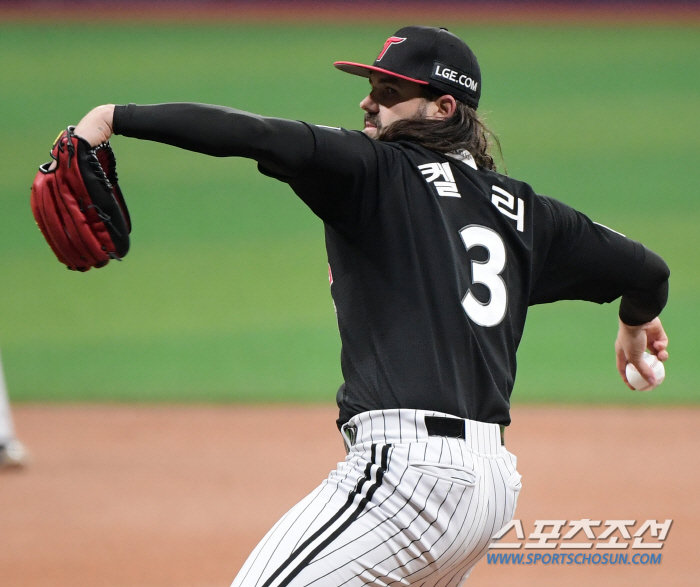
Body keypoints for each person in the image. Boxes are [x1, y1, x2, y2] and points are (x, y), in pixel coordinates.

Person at [71, 25, 669, 587]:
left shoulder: (373, 170)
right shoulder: (526, 212)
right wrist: (634, 321)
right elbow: (648, 270)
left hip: (407, 481)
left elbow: (252, 132)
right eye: (371, 90)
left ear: (444, 108)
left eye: (390, 92)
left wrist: (111, 118)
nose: (368, 105)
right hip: (489, 488)